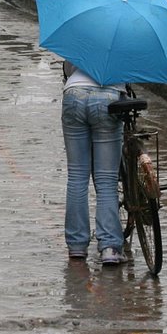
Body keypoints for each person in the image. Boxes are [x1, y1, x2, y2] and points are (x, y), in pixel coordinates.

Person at [61, 61, 127, 265]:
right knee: (106, 180)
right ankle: (110, 247)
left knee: (77, 176)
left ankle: (77, 246)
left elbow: (67, 68)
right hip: (108, 98)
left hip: (73, 94)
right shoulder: (126, 35)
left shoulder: (79, 32)